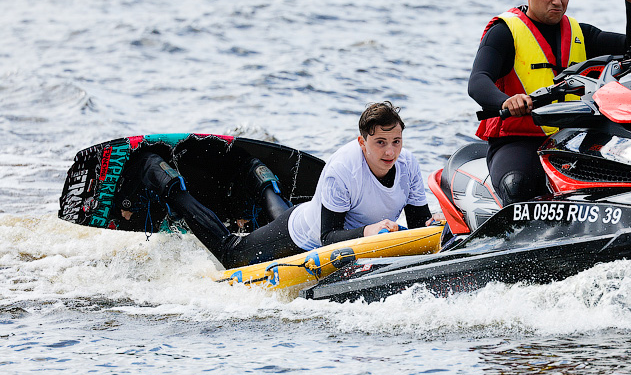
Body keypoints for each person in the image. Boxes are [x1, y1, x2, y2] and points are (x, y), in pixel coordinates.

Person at [136, 102, 438, 269]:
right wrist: (368, 232)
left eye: (396, 142)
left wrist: (434, 224)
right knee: (231, 254)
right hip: (302, 237)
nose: (390, 152)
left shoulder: (407, 164)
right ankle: (167, 183)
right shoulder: (343, 169)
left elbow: (417, 223)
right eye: (380, 143)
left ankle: (259, 178)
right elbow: (328, 237)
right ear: (362, 142)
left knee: (286, 214)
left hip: (310, 215)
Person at [468, 0, 631, 205]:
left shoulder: (582, 34)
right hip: (518, 141)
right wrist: (507, 101)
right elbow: (478, 81)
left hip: (572, 140)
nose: (558, 1)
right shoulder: (504, 33)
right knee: (517, 185)